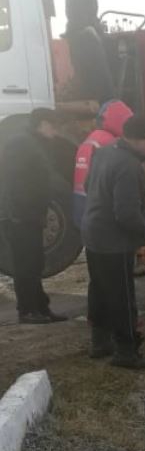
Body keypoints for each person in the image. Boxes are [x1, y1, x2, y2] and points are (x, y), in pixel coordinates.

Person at [81, 114, 145, 368]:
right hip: (114, 241)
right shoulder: (128, 164)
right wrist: (143, 238)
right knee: (123, 296)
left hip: (93, 233)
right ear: (139, 139)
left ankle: (100, 343)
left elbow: (87, 183)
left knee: (100, 289)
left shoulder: (103, 152)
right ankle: (127, 352)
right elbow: (126, 212)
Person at [0, 109, 68, 324]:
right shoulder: (20, 143)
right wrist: (17, 213)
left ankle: (41, 307)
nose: (56, 132)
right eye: (53, 126)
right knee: (25, 264)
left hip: (32, 215)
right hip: (21, 216)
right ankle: (27, 311)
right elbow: (11, 182)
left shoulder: (36, 143)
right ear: (41, 123)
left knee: (35, 262)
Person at [60, 0, 114, 103]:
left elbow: (87, 13)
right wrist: (87, 28)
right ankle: (107, 106)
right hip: (83, 35)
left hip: (80, 33)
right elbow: (75, 10)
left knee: (88, 75)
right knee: (102, 78)